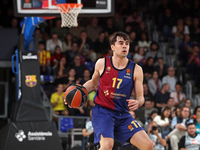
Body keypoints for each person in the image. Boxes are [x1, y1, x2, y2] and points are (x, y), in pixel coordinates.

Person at [66, 32, 153, 149]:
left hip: (123, 115)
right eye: (121, 43)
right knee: (107, 145)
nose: (125, 46)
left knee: (148, 145)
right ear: (112, 47)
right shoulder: (102, 63)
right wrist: (75, 95)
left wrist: (138, 102)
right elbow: (93, 83)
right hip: (103, 112)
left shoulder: (136, 69)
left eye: (127, 44)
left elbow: (141, 97)